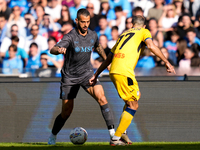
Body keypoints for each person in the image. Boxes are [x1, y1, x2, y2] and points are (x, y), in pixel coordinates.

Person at [89, 15, 176, 146]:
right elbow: (151, 46)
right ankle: (116, 138)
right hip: (124, 72)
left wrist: (96, 75)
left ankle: (122, 131)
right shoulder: (143, 31)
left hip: (114, 71)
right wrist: (166, 62)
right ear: (144, 26)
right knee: (133, 105)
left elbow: (108, 59)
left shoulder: (123, 35)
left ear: (131, 25)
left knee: (136, 96)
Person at [47, 8, 129, 146]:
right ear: (77, 21)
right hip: (70, 78)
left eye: (88, 22)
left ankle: (113, 136)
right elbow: (53, 49)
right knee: (66, 112)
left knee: (102, 98)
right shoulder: (70, 36)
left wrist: (106, 62)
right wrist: (58, 50)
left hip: (87, 74)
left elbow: (98, 47)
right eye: (83, 22)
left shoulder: (93, 35)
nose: (85, 24)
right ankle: (53, 136)